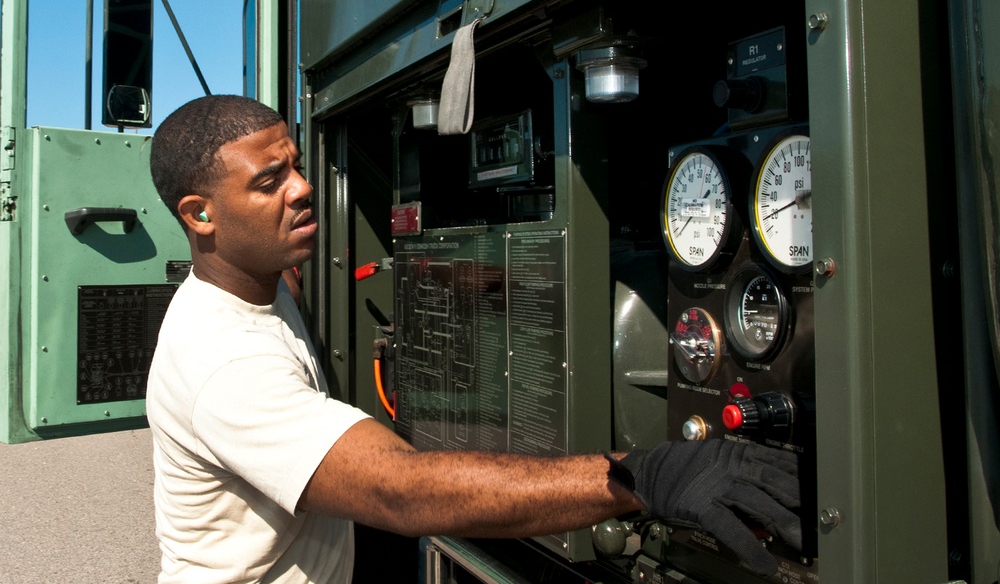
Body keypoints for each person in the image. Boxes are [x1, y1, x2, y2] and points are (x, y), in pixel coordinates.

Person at [146, 95, 802, 584]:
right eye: (270, 182)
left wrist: (479, 273)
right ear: (199, 215)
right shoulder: (220, 360)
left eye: (297, 165)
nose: (304, 188)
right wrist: (639, 474)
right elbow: (399, 489)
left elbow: (386, 266)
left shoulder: (259, 276)